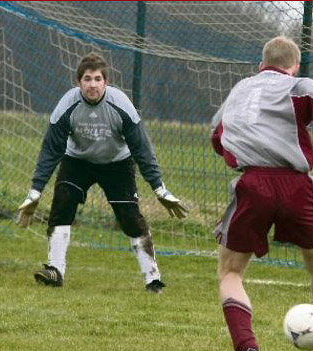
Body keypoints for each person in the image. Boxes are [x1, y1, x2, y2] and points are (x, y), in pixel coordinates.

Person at [210, 36, 313, 351]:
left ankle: (246, 347)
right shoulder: (296, 85)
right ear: (293, 66)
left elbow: (217, 133)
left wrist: (234, 152)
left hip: (252, 183)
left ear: (261, 64)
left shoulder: (240, 89)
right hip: (296, 185)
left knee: (230, 271)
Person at [17, 52, 188, 293]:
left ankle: (152, 278)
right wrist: (34, 192)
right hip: (77, 162)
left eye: (98, 79)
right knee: (62, 203)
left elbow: (142, 149)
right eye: (87, 79)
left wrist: (159, 188)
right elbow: (51, 150)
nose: (93, 84)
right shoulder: (67, 105)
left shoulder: (121, 105)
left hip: (117, 164)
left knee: (130, 218)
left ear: (106, 82)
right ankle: (55, 270)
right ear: (78, 82)